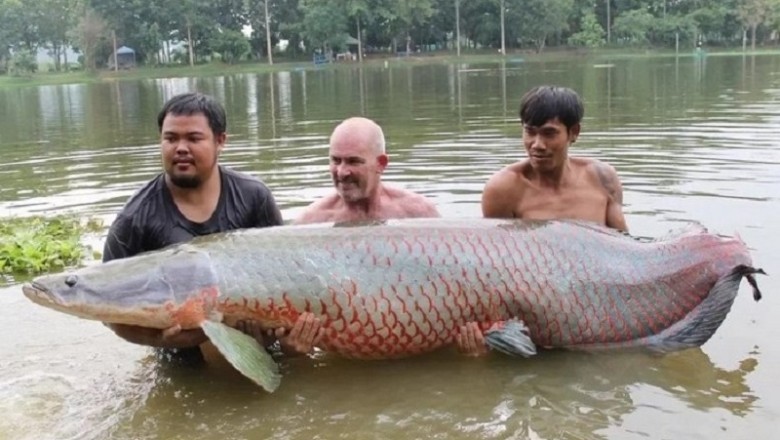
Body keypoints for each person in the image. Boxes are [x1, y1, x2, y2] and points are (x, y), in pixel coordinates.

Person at [102, 92, 318, 362]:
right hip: (181, 357)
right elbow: (108, 310)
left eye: (193, 138)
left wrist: (287, 340)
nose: (180, 148)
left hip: (258, 344)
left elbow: (286, 276)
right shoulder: (133, 219)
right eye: (171, 138)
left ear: (220, 141)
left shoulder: (254, 197)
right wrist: (157, 339)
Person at [457, 85, 629, 356]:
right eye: (529, 131)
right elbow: (493, 272)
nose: (537, 145)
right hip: (536, 316)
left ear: (574, 133)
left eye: (549, 133)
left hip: (595, 310)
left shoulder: (602, 178)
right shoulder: (504, 189)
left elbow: (625, 253)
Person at [295, 117, 440, 224]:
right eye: (336, 160)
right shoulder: (312, 221)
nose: (341, 172)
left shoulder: (418, 214)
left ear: (380, 164)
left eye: (353, 161)